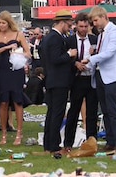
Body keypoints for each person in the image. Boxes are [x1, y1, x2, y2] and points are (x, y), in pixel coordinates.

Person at [85, 6, 116, 154]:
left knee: (112, 109)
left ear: (104, 17)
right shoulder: (102, 34)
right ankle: (111, 141)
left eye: (96, 20)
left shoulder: (115, 31)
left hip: (112, 75)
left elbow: (110, 53)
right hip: (101, 74)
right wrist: (95, 54)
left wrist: (91, 58)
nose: (95, 24)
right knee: (105, 109)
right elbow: (104, 52)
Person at [0, 11, 32, 146]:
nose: (1, 25)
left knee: (18, 101)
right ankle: (3, 133)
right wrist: (6, 47)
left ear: (9, 23)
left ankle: (19, 132)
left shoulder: (19, 35)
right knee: (3, 102)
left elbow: (28, 53)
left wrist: (18, 53)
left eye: (4, 23)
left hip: (16, 70)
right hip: (2, 71)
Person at [41, 10, 77, 155]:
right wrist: (69, 54)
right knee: (57, 113)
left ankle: (48, 144)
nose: (70, 27)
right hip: (58, 81)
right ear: (62, 22)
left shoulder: (51, 37)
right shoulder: (55, 38)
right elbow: (55, 59)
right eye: (69, 24)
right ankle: (54, 145)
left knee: (52, 113)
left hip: (52, 80)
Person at [63, 13, 99, 152]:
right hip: (77, 79)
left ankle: (92, 141)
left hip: (91, 78)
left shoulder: (94, 39)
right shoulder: (70, 40)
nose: (83, 29)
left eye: (85, 26)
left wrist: (94, 55)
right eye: (81, 26)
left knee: (92, 112)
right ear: (76, 26)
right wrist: (75, 63)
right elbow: (65, 59)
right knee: (74, 111)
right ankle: (68, 143)